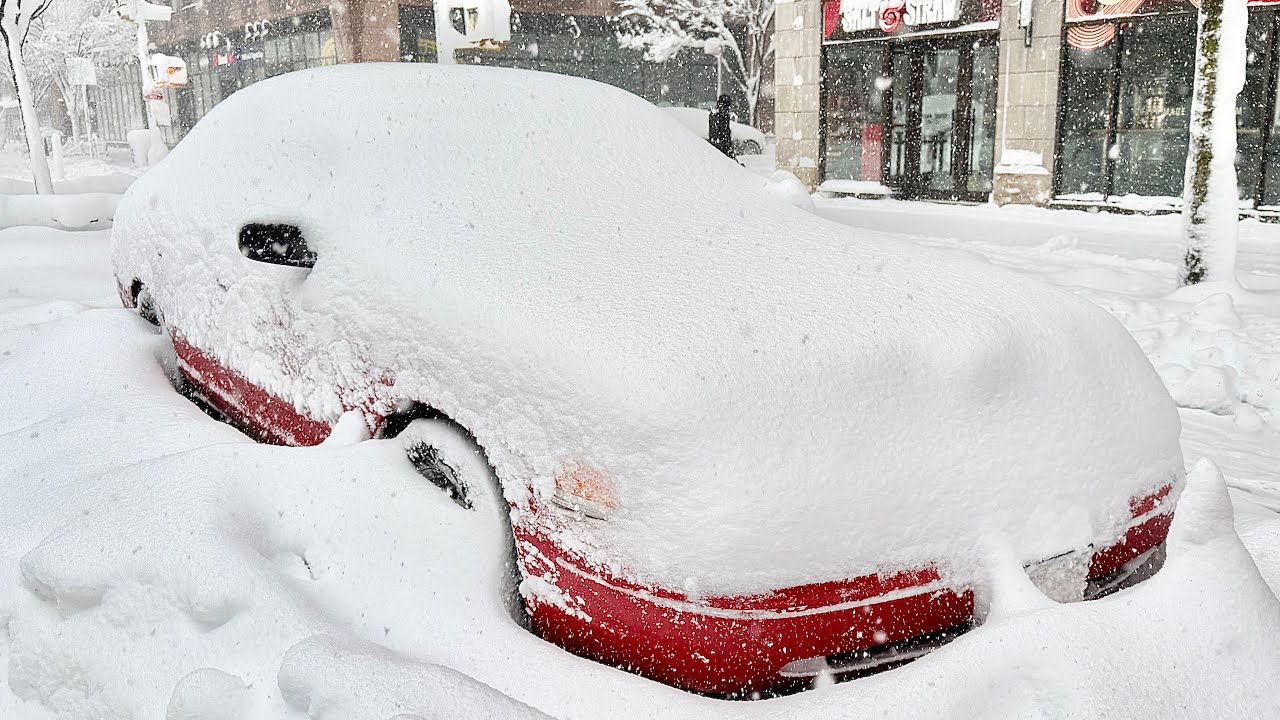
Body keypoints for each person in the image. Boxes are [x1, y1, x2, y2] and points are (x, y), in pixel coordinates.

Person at [708, 95, 735, 159]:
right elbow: (724, 132)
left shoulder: (714, 114)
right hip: (721, 146)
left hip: (717, 145)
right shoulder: (722, 116)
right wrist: (728, 148)